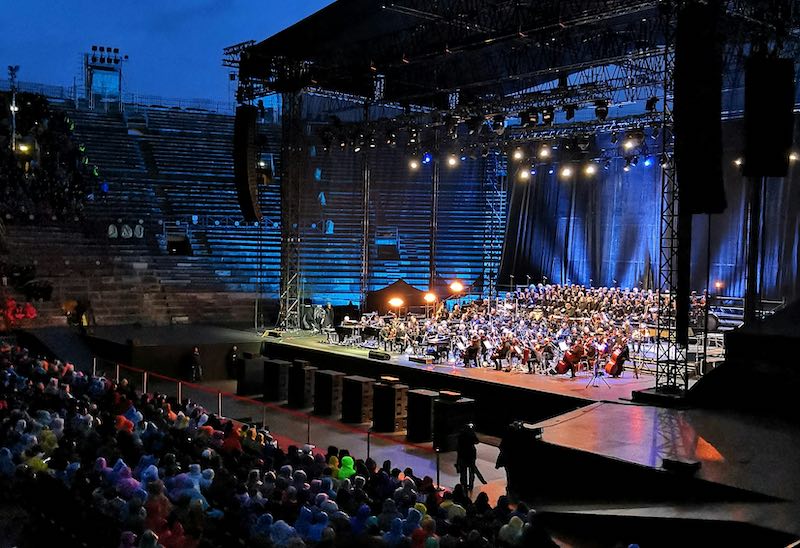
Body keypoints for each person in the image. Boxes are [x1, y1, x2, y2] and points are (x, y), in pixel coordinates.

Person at [455, 423, 486, 491]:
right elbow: (477, 441)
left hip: (463, 455)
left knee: (463, 472)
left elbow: (458, 446)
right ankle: (471, 485)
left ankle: (464, 485)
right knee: (472, 472)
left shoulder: (461, 435)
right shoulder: (471, 434)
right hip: (471, 455)